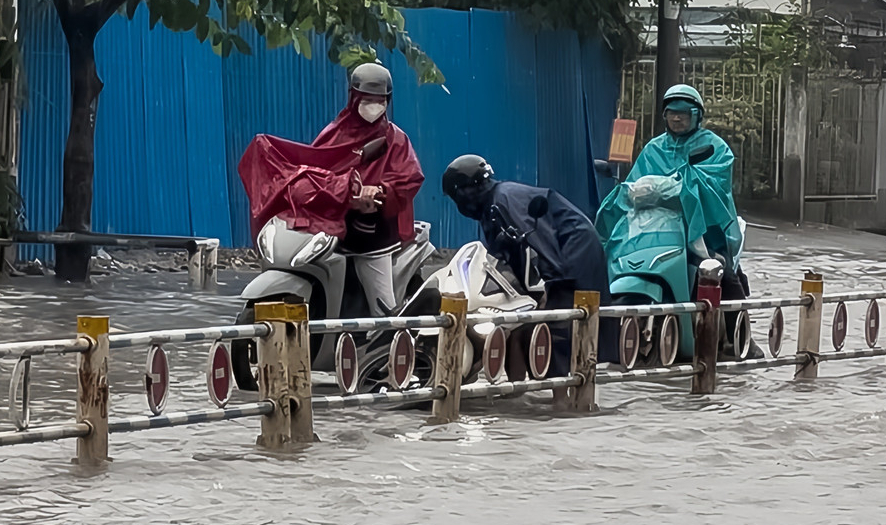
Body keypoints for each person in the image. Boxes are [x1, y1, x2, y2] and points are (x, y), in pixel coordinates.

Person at [238, 62, 423, 316]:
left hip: (372, 236)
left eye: (379, 101)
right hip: (333, 230)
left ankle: (389, 342)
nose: (373, 106)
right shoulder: (335, 134)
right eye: (366, 100)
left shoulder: (396, 139)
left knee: (384, 311)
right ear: (353, 97)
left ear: (388, 101)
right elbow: (315, 167)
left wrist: (379, 190)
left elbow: (409, 179)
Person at [598, 83, 754, 350]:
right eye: (672, 113)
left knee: (720, 270)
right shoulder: (654, 148)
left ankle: (742, 339)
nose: (678, 118)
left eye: (684, 113)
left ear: (697, 115)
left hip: (704, 225)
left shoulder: (714, 147)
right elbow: (636, 183)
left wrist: (677, 186)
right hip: (659, 226)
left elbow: (715, 185)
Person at [441, 155, 619, 369]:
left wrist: (548, 285)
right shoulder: (491, 208)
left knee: (558, 326)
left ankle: (562, 397)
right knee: (522, 328)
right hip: (558, 255)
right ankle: (520, 395)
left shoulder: (504, 201)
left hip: (572, 250)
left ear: (465, 191)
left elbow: (540, 241)